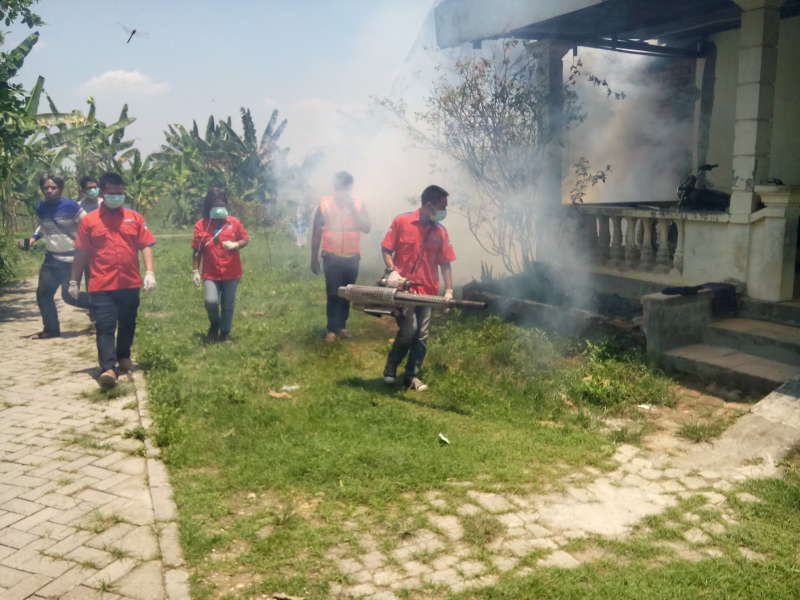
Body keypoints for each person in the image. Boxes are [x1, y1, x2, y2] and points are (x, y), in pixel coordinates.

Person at [69, 172, 157, 388]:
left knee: (128, 322)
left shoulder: (134, 218)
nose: (117, 196)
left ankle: (123, 355)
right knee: (105, 326)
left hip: (129, 282)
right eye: (112, 193)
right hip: (101, 284)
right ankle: (108, 368)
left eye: (120, 193)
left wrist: (150, 272)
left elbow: (145, 244)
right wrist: (74, 281)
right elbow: (81, 253)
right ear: (103, 193)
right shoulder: (89, 221)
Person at [380, 185, 456, 391]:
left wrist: (449, 290)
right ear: (429, 205)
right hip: (403, 290)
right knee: (409, 331)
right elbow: (386, 249)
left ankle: (411, 376)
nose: (444, 211)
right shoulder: (402, 222)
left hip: (428, 291)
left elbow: (445, 263)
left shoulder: (441, 232)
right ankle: (391, 366)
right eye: (442, 206)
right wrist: (392, 271)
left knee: (421, 335)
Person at [17, 173, 92, 338]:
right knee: (43, 294)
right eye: (46, 188)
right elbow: (42, 227)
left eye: (53, 187)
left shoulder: (72, 206)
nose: (49, 190)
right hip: (51, 258)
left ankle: (103, 304)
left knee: (69, 296)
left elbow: (88, 225)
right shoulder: (41, 207)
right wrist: (31, 240)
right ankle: (51, 330)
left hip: (72, 259)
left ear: (61, 188)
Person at [310, 171, 370, 342]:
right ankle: (331, 328)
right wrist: (313, 257)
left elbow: (366, 227)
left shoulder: (358, 204)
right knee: (333, 293)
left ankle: (342, 326)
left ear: (350, 188)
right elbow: (316, 232)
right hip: (331, 255)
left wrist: (353, 209)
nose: (342, 191)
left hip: (352, 256)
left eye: (346, 187)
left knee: (347, 293)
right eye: (339, 187)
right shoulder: (325, 204)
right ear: (335, 187)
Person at [191, 187, 249, 342]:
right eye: (215, 205)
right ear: (209, 205)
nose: (218, 208)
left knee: (228, 304)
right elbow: (197, 250)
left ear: (226, 204)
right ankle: (214, 324)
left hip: (232, 271)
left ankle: (225, 333)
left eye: (221, 204)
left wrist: (236, 244)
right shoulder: (201, 225)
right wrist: (195, 270)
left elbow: (245, 239)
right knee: (210, 302)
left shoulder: (234, 222)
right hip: (211, 273)